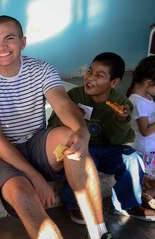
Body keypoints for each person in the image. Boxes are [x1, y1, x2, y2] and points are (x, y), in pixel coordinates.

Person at [0, 15, 140, 239]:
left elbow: (62, 103)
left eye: (9, 38)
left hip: (36, 142)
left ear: (22, 41)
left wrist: (81, 131)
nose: (2, 47)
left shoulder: (41, 68)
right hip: (0, 156)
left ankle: (99, 236)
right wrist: (35, 178)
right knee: (23, 194)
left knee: (71, 139)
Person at [48, 52, 155, 222]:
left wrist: (120, 120)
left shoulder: (121, 104)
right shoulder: (74, 96)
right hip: (83, 147)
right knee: (82, 159)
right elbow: (52, 126)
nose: (90, 78)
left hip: (107, 149)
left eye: (99, 75)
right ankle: (75, 204)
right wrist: (71, 119)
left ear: (114, 83)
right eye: (90, 72)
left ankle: (126, 205)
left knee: (133, 158)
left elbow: (118, 140)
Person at [127, 55, 155, 211]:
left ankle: (145, 197)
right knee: (147, 180)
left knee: (150, 181)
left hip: (151, 148)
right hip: (144, 151)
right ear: (149, 83)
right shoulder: (137, 101)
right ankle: (141, 201)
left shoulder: (148, 97)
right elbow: (145, 131)